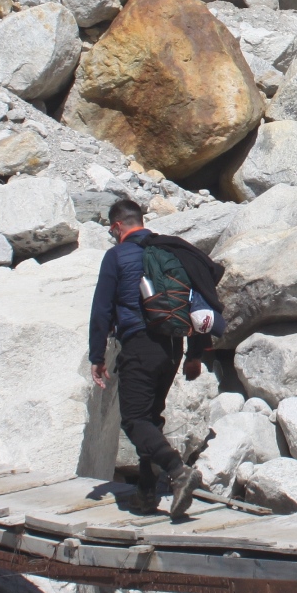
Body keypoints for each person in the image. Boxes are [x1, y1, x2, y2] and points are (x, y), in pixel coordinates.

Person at [88, 199, 206, 519]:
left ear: (117, 227)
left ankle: (178, 471)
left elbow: (102, 309)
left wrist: (97, 356)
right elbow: (198, 300)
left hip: (140, 344)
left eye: (111, 231)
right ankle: (146, 491)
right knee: (150, 418)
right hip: (173, 346)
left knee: (134, 419)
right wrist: (195, 353)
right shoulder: (168, 250)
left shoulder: (117, 256)